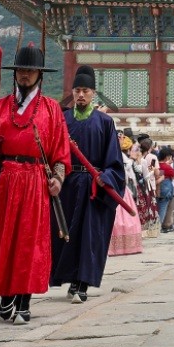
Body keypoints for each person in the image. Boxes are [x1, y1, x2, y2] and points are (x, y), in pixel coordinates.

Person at [0, 44, 71, 326]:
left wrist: (57, 178)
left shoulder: (51, 109)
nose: (25, 75)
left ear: (39, 75)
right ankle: (6, 298)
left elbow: (60, 150)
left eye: (31, 70)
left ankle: (25, 300)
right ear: (14, 73)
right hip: (4, 178)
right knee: (3, 239)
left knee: (30, 243)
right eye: (21, 70)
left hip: (34, 181)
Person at [50, 66, 124, 304]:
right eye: (77, 90)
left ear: (93, 93)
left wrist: (106, 177)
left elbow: (114, 161)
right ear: (72, 92)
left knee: (88, 236)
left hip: (93, 186)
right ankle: (72, 279)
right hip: (69, 185)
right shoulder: (62, 120)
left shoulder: (104, 123)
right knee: (67, 234)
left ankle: (82, 283)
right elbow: (52, 154)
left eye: (86, 91)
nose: (81, 95)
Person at [109, 143, 144, 256]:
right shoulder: (112, 153)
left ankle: (127, 245)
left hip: (123, 189)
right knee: (116, 220)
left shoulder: (123, 155)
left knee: (126, 219)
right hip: (114, 187)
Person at [157, 147, 174, 233]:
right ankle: (159, 226)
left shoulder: (159, 166)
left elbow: (161, 175)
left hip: (159, 189)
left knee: (159, 207)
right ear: (166, 157)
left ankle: (158, 225)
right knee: (163, 208)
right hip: (166, 190)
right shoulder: (167, 167)